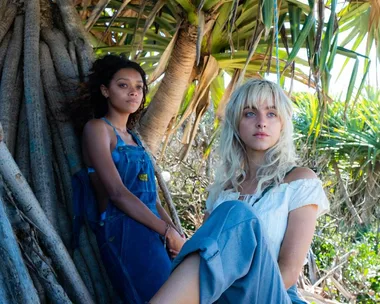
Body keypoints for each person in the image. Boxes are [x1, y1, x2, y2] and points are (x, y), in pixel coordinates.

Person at [149, 79, 329, 304]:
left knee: (238, 213)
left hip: (274, 296)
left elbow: (288, 273)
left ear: (283, 123)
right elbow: (211, 258)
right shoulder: (222, 193)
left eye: (271, 114)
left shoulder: (300, 181)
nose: (262, 122)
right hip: (222, 297)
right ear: (236, 123)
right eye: (250, 114)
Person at [71, 54, 185, 304]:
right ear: (105, 90)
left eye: (139, 87)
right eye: (123, 85)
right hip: (123, 230)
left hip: (152, 229)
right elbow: (117, 192)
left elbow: (152, 199)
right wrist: (165, 230)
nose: (133, 92)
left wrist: (175, 234)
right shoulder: (98, 129)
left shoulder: (135, 138)